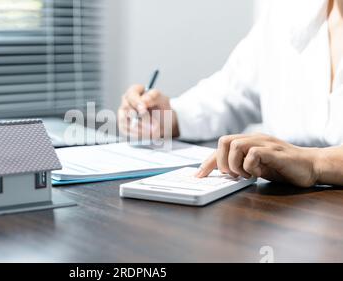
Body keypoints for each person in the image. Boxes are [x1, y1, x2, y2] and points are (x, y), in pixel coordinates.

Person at [118, 0, 343, 187]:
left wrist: (317, 162)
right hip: (288, 211)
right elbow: (230, 93)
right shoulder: (288, 11)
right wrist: (167, 116)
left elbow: (314, 161)